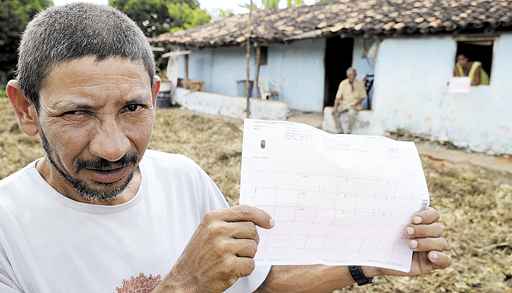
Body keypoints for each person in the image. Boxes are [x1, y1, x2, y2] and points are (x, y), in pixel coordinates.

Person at [1, 4, 451, 293]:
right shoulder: (8, 230)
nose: (115, 147)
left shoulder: (183, 179)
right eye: (77, 114)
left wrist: (371, 263)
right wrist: (184, 286)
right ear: (25, 109)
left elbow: (259, 282)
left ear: (155, 93)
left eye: (134, 107)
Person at [331, 68, 367, 134]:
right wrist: (335, 107)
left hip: (355, 105)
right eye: (348, 75)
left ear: (355, 75)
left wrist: (355, 104)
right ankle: (340, 131)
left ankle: (348, 131)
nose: (350, 76)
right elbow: (338, 97)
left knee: (351, 113)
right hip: (344, 104)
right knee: (334, 112)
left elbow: (363, 97)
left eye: (352, 74)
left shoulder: (360, 84)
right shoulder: (343, 83)